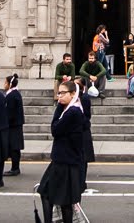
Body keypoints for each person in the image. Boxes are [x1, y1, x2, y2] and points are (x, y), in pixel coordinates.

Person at [37, 81, 83, 223]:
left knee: (54, 196)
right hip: (63, 159)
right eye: (59, 93)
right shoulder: (71, 109)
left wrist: (58, 107)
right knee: (61, 199)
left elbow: (55, 130)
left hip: (64, 161)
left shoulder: (72, 112)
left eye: (63, 93)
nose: (59, 96)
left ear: (73, 94)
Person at [74, 77, 95, 189]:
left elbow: (87, 116)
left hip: (82, 131)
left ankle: (81, 182)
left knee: (83, 160)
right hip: (77, 131)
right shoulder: (73, 98)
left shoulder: (84, 98)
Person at [4, 74, 25, 176]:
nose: (4, 85)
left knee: (14, 147)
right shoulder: (15, 94)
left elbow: (10, 111)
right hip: (16, 123)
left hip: (13, 124)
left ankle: (15, 168)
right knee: (14, 146)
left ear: (10, 84)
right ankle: (15, 167)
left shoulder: (12, 95)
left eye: (5, 83)